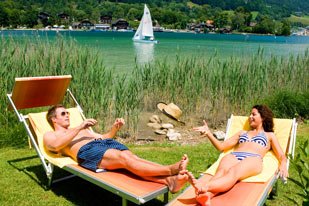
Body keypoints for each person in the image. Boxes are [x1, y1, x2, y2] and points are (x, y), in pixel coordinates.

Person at [43, 104, 189, 193]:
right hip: (87, 151)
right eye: (63, 113)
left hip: (103, 145)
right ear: (53, 119)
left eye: (68, 113)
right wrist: (80, 126)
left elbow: (105, 137)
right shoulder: (50, 135)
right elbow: (56, 146)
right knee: (125, 160)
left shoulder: (80, 129)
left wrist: (115, 128)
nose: (67, 115)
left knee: (132, 160)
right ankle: (170, 170)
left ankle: (169, 181)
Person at [187, 105, 289, 206]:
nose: (250, 117)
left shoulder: (269, 135)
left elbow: (281, 154)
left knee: (233, 172)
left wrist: (283, 163)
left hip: (253, 158)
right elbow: (221, 146)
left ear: (263, 117)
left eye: (254, 114)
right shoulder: (242, 133)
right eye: (249, 114)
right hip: (234, 155)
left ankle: (203, 185)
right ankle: (206, 197)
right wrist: (208, 133)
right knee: (221, 173)